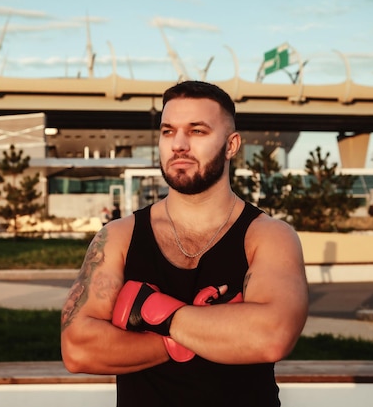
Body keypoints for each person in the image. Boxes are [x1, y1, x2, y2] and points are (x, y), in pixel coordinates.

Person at [61, 81, 309, 406]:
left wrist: (151, 313)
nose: (178, 144)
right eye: (168, 131)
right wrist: (192, 336)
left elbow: (270, 336)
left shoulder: (268, 235)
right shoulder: (119, 236)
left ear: (231, 144)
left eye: (197, 131)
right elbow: (78, 349)